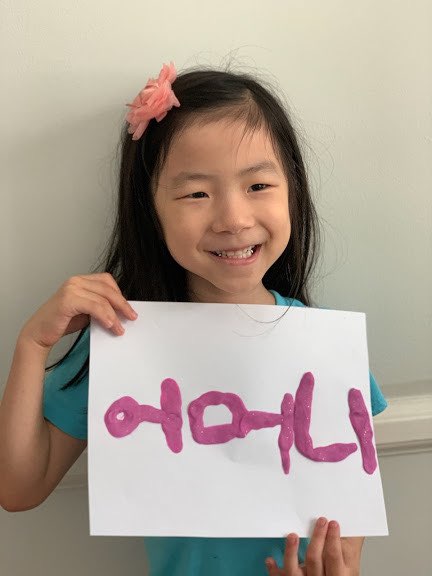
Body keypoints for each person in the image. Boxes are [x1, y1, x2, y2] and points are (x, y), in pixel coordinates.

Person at [0, 62, 387, 576]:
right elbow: (19, 489)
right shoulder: (121, 341)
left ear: (292, 189)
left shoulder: (328, 351)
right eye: (197, 193)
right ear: (151, 209)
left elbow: (347, 535)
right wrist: (32, 344)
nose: (233, 219)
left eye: (258, 185)